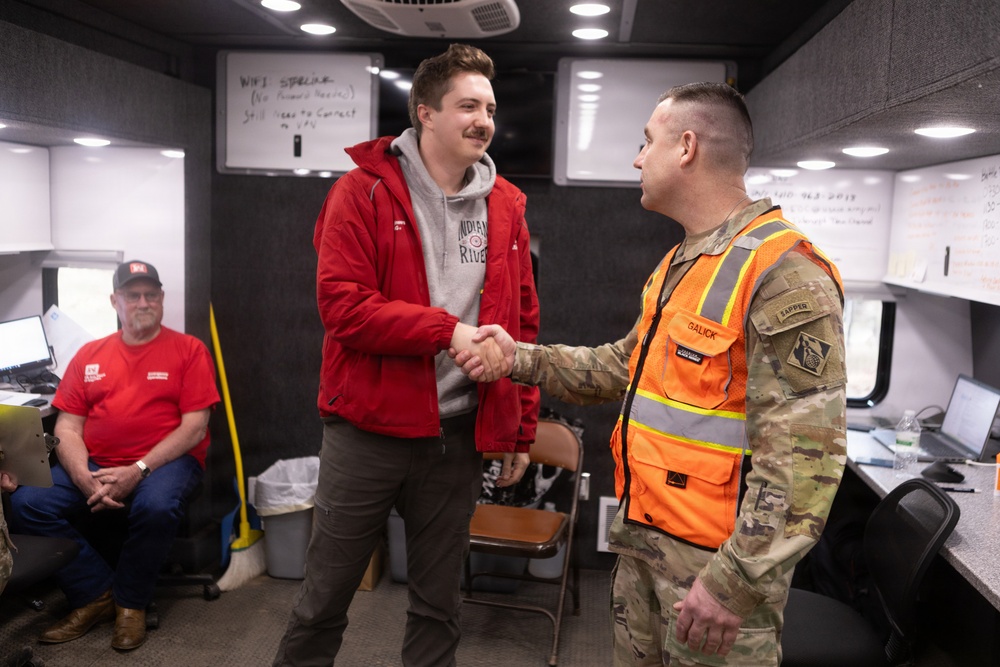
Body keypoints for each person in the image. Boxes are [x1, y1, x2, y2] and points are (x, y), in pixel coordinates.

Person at [455, 82, 847, 666]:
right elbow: (622, 367)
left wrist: (733, 584)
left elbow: (804, 465)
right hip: (644, 553)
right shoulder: (683, 263)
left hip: (714, 579)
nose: (638, 159)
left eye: (647, 142)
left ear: (686, 147)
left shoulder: (785, 272)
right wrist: (518, 358)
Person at [271, 43, 540, 666]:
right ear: (425, 112)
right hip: (366, 430)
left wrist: (519, 429)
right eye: (467, 105)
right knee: (323, 599)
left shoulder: (507, 206)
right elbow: (343, 308)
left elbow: (521, 321)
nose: (484, 120)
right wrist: (447, 332)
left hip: (456, 436)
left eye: (490, 109)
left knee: (439, 605)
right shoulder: (360, 194)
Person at [8, 260, 220, 651]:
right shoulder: (90, 354)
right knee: (26, 502)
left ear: (161, 299)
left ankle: (130, 603)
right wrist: (83, 476)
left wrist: (138, 470)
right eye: (132, 294)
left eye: (151, 294)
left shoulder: (189, 350)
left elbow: (195, 428)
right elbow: (67, 427)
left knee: (156, 507)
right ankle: (95, 593)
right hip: (95, 463)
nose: (143, 302)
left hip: (165, 464)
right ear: (114, 301)